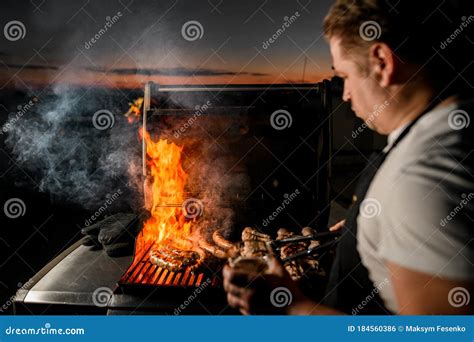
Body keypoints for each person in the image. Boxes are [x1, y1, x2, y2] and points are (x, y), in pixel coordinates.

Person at [223, 0, 473, 315]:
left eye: (345, 76)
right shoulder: (453, 126)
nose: (345, 94)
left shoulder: (419, 177)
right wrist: (364, 230)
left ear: (382, 61)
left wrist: (290, 309)